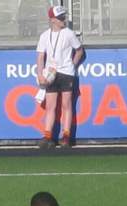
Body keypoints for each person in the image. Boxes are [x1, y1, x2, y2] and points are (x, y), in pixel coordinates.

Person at [36, 5, 83, 149]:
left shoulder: (69, 33)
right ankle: (48, 136)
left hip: (66, 73)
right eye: (60, 17)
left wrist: (72, 66)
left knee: (66, 105)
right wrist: (40, 74)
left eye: (64, 17)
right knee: (51, 106)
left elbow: (79, 50)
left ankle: (66, 136)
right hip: (51, 73)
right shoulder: (44, 35)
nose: (64, 19)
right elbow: (40, 56)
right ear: (52, 20)